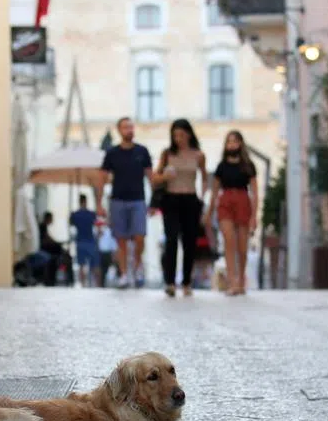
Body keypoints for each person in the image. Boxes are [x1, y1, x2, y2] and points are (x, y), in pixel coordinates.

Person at [152, 119, 208, 297]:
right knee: (171, 240)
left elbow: (205, 177)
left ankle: (186, 282)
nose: (178, 139)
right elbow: (155, 178)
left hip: (191, 199)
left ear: (189, 134)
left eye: (182, 135)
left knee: (190, 241)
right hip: (171, 199)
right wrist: (164, 176)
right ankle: (170, 282)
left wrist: (203, 195)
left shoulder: (198, 155)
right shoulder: (167, 154)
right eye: (175, 135)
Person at [96, 117, 153, 289]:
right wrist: (99, 203)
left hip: (138, 200)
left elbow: (151, 177)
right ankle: (123, 273)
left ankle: (137, 267)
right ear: (119, 130)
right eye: (125, 127)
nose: (129, 129)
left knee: (139, 237)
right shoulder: (112, 153)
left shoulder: (142, 151)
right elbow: (102, 178)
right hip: (117, 200)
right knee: (120, 239)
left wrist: (156, 201)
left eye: (131, 126)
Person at [206, 130, 259, 296]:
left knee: (242, 246)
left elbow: (255, 192)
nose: (232, 145)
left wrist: (254, 216)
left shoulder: (248, 166)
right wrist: (209, 213)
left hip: (243, 200)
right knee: (229, 241)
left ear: (241, 144)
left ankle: (241, 280)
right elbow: (214, 192)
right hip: (225, 202)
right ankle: (232, 282)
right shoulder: (221, 167)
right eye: (229, 142)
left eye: (235, 141)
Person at [68, 194, 99, 287]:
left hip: (80, 241)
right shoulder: (91, 214)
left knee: (81, 265)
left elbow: (70, 223)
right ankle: (97, 284)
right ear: (85, 201)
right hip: (90, 241)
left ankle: (83, 284)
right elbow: (97, 224)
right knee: (94, 265)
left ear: (79, 201)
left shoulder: (75, 214)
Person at [37, 211, 66, 287]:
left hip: (45, 248)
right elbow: (47, 239)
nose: (52, 220)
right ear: (48, 218)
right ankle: (52, 279)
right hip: (43, 249)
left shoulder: (44, 226)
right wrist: (56, 243)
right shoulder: (42, 226)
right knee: (58, 252)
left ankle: (56, 276)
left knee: (59, 250)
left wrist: (56, 243)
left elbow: (49, 238)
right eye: (51, 218)